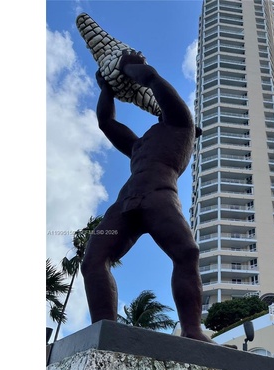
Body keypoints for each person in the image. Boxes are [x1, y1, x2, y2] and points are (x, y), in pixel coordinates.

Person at [81, 49, 213, 344]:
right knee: (93, 260)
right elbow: (106, 122)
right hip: (126, 202)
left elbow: (152, 79)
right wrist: (106, 89)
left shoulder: (182, 124)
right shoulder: (139, 146)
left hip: (160, 196)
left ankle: (192, 329)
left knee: (187, 253)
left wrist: (130, 66)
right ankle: (104, 329)